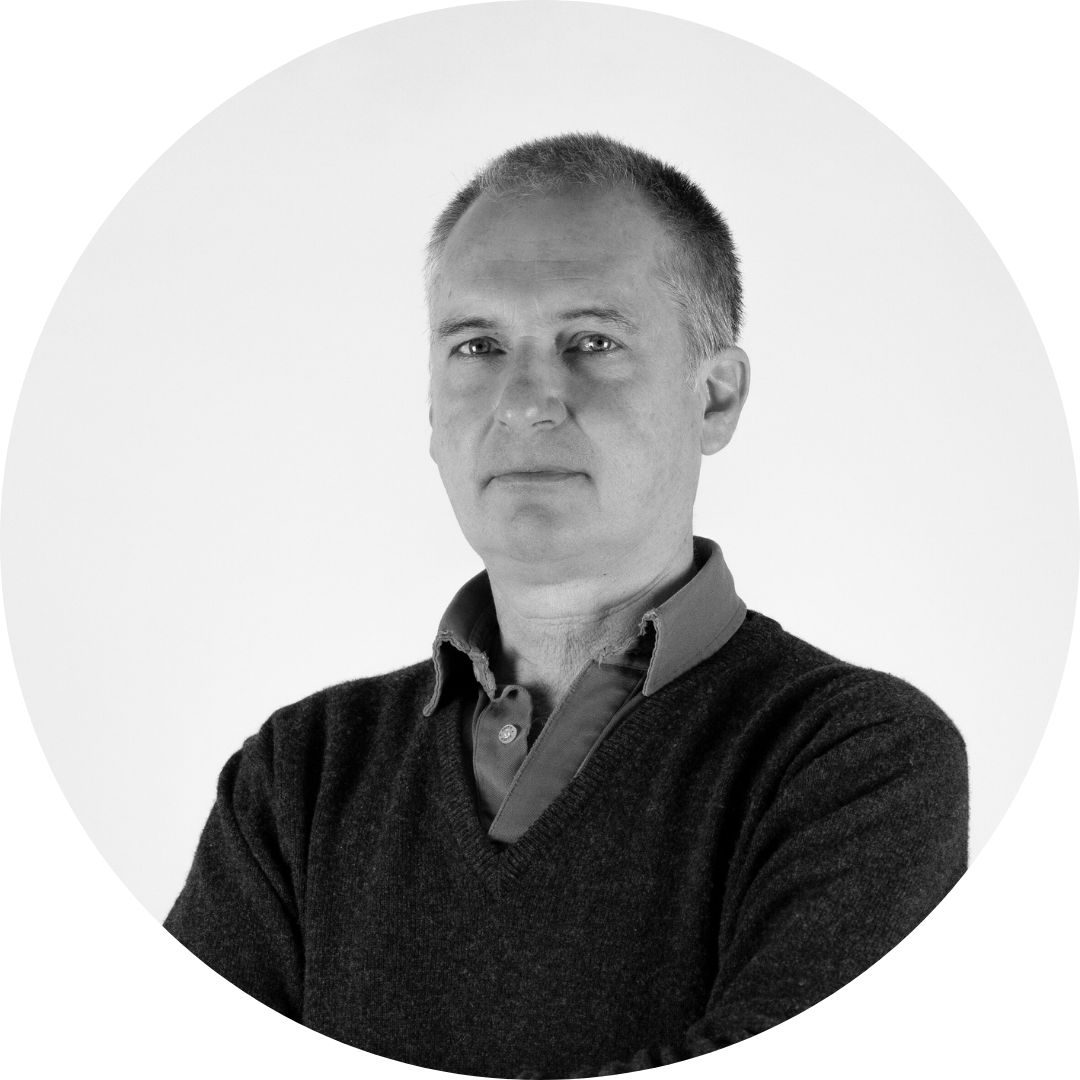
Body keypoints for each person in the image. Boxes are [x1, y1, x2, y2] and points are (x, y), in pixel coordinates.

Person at [164, 133, 968, 1076]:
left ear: (715, 398)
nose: (526, 399)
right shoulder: (301, 773)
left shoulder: (857, 757)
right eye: (478, 346)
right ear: (432, 410)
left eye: (592, 343)